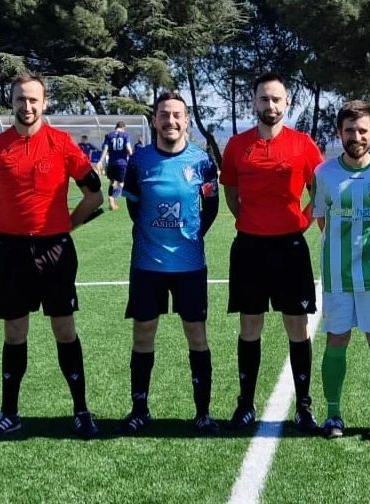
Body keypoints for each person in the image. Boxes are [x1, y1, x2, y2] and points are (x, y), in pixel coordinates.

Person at [0, 72, 104, 439]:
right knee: (15, 332)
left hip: (55, 250)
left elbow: (94, 194)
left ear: (44, 103)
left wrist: (67, 226)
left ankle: (81, 411)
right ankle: (9, 413)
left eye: (33, 100)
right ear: (11, 102)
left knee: (64, 329)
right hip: (10, 252)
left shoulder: (62, 144)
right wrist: (3, 223)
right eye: (20, 99)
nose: (27, 106)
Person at [220, 72, 323, 431]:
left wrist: (302, 221)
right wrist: (249, 219)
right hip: (249, 247)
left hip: (290, 247)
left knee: (297, 325)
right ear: (254, 102)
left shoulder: (303, 144)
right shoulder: (237, 145)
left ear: (287, 103)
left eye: (276, 99)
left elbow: (320, 189)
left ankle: (304, 407)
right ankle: (245, 404)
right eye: (264, 98)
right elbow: (230, 191)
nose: (270, 105)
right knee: (250, 324)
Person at [119, 92, 220, 435]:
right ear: (154, 120)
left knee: (197, 335)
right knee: (143, 334)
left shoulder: (202, 162)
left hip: (190, 265)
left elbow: (211, 208)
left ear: (187, 120)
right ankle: (139, 410)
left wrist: (191, 236)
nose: (171, 121)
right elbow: (134, 206)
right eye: (164, 115)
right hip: (147, 265)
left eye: (177, 115)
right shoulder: (139, 161)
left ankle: (203, 413)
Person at [312, 100, 370, 440]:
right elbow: (321, 219)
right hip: (337, 275)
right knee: (336, 339)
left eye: (363, 130)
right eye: (350, 130)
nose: (357, 136)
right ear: (340, 132)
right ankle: (333, 415)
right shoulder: (323, 173)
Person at [98, 121, 133, 210]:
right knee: (121, 184)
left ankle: (112, 201)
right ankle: (113, 197)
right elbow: (129, 149)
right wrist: (133, 158)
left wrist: (100, 161)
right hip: (122, 163)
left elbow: (105, 149)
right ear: (123, 128)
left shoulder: (109, 135)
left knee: (112, 182)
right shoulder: (125, 135)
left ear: (116, 127)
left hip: (111, 163)